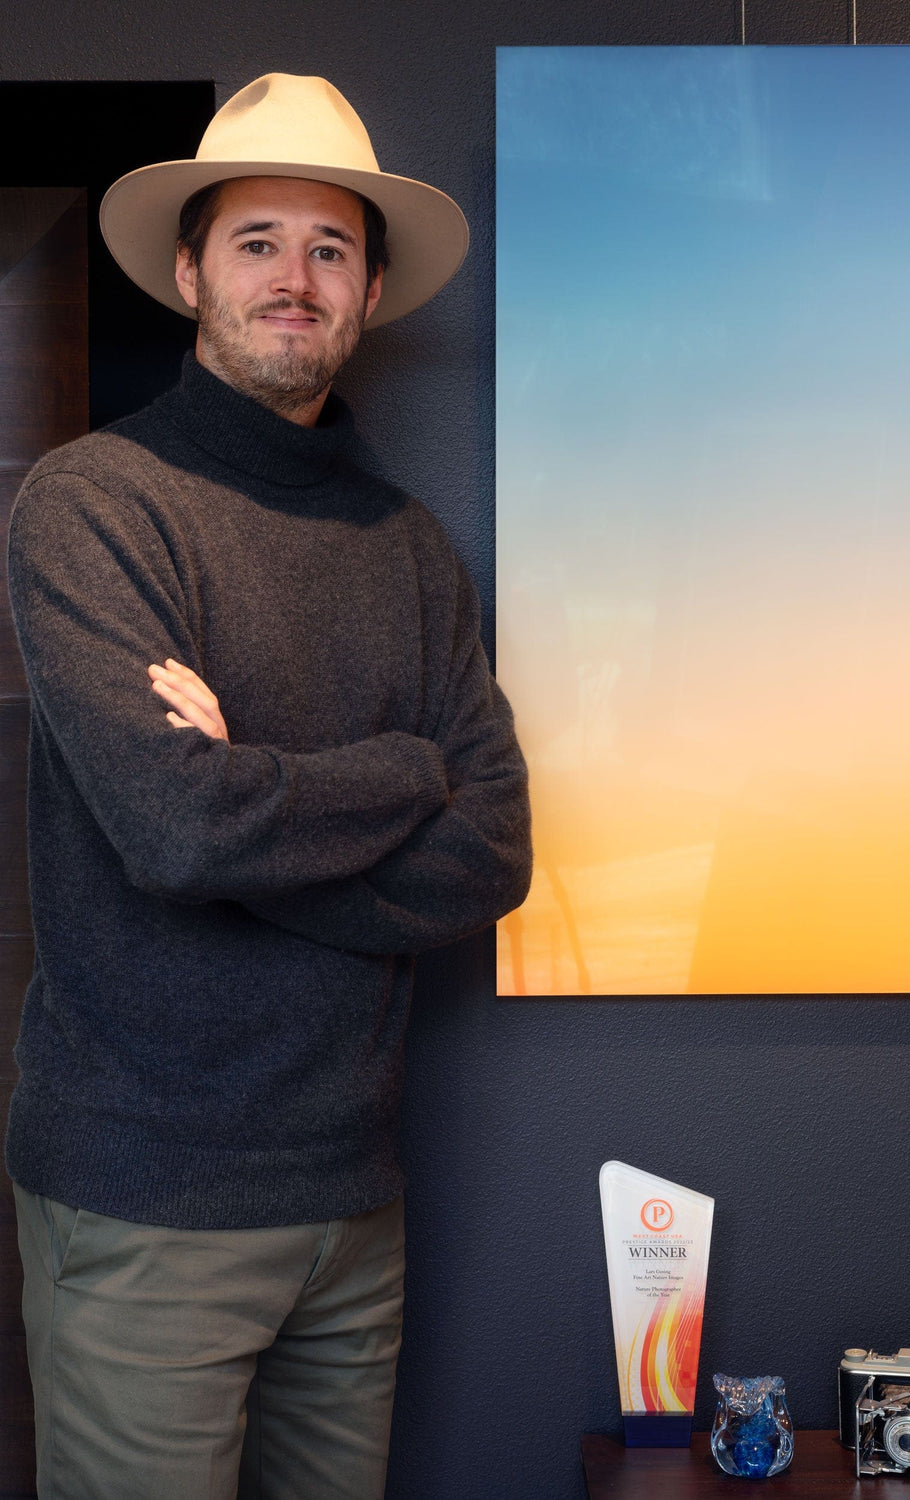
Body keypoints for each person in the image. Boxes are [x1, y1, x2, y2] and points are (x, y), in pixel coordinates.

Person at [5, 73, 531, 1500]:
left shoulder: (411, 548)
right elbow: (175, 830)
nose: (292, 278)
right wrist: (403, 771)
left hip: (357, 1204)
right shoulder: (90, 505)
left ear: (366, 294)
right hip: (145, 1201)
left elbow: (490, 857)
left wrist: (256, 795)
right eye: (255, 242)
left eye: (329, 248)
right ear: (190, 270)